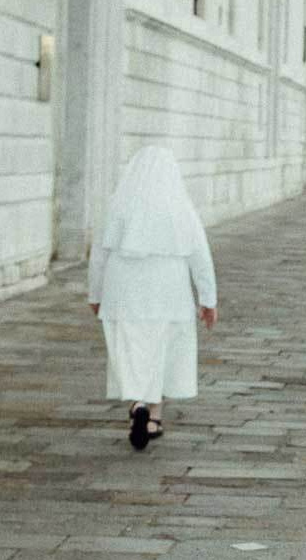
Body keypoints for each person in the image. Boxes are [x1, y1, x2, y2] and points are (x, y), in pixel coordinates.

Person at [87, 146, 217, 450]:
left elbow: (99, 255)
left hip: (124, 289)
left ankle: (137, 404)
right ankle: (154, 416)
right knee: (162, 350)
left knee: (131, 348)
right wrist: (208, 299)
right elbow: (201, 256)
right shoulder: (181, 209)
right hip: (168, 289)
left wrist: (95, 293)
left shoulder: (117, 205)